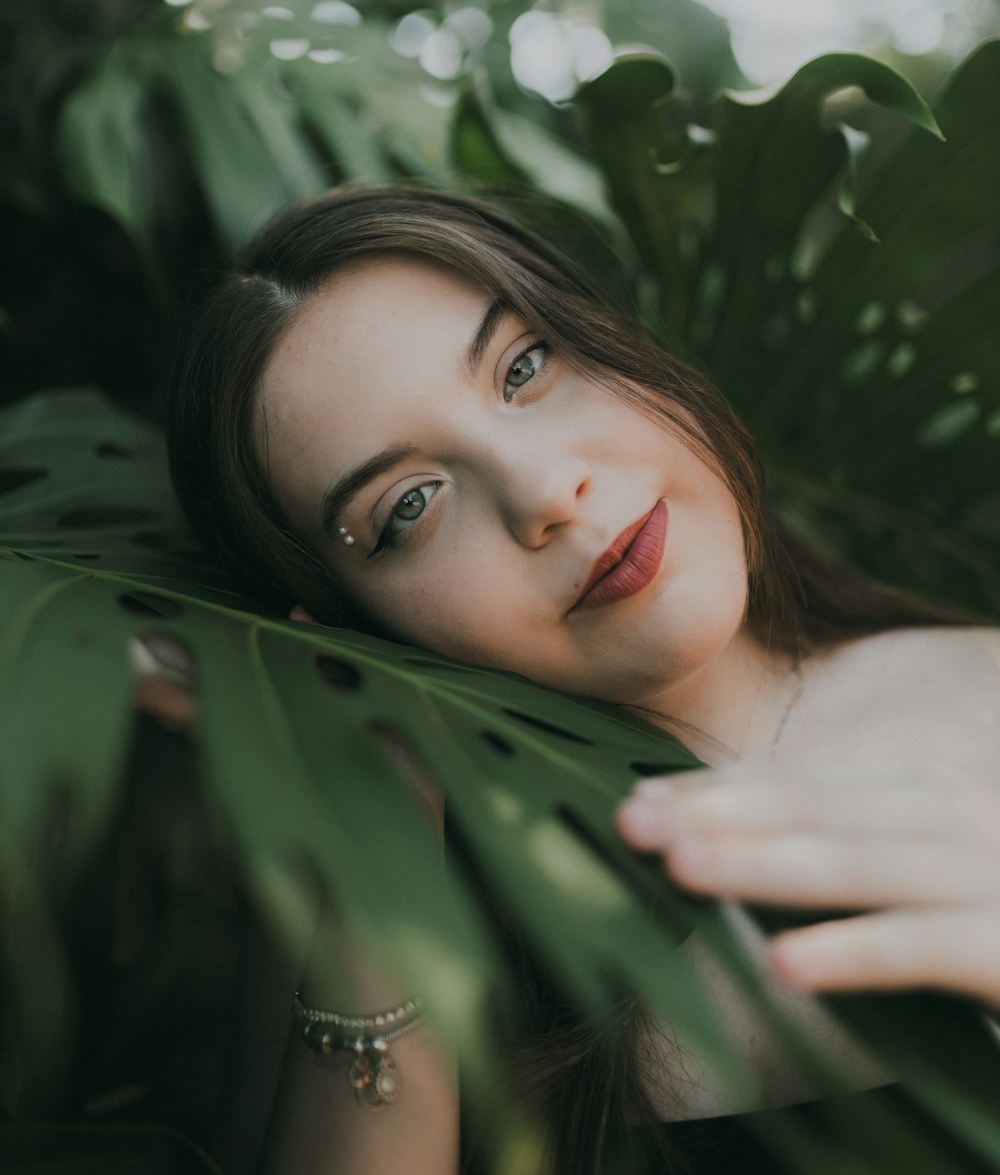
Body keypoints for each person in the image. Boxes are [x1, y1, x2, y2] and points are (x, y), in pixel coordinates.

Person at [165, 184, 1000, 1175]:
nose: (545, 490)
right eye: (409, 507)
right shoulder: (355, 932)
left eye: (525, 366)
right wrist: (375, 882)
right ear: (348, 627)